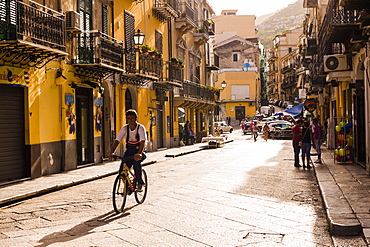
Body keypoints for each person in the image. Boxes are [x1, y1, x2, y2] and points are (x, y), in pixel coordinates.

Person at [109, 109, 147, 191]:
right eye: (128, 118)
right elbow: (117, 141)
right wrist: (112, 152)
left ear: (136, 118)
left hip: (139, 150)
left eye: (132, 118)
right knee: (122, 170)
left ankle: (140, 182)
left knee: (136, 163)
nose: (130, 120)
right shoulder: (125, 128)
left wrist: (139, 153)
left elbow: (142, 142)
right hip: (129, 151)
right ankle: (127, 185)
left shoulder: (140, 128)